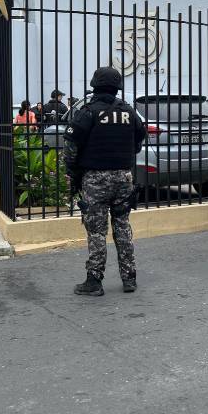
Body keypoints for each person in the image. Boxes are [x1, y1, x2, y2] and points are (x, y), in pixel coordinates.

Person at [63, 67, 146, 296]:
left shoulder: (88, 112)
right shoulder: (128, 111)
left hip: (95, 179)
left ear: (95, 86)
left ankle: (94, 281)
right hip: (123, 177)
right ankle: (129, 278)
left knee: (97, 231)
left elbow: (70, 148)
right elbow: (139, 139)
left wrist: (74, 173)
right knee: (122, 226)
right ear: (117, 87)